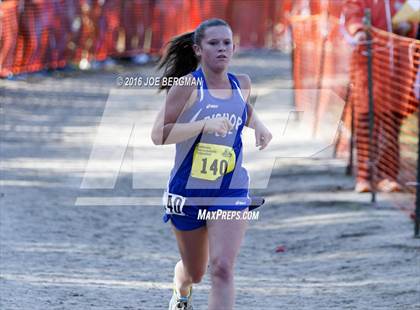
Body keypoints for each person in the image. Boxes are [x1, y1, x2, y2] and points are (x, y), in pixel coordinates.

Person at [151, 18, 272, 310]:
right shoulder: (187, 86)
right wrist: (202, 125)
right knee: (196, 272)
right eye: (213, 43)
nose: (221, 49)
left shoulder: (241, 83)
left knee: (222, 268)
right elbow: (158, 135)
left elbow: (242, 107)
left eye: (227, 43)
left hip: (230, 189)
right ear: (197, 49)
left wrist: (259, 125)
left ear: (234, 48)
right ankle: (181, 292)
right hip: (188, 190)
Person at [341, 0, 417, 193]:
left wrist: (409, 26)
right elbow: (352, 15)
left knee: (392, 124)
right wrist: (358, 31)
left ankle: (388, 176)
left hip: (398, 72)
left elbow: (413, 25)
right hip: (368, 70)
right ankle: (364, 177)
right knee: (367, 123)